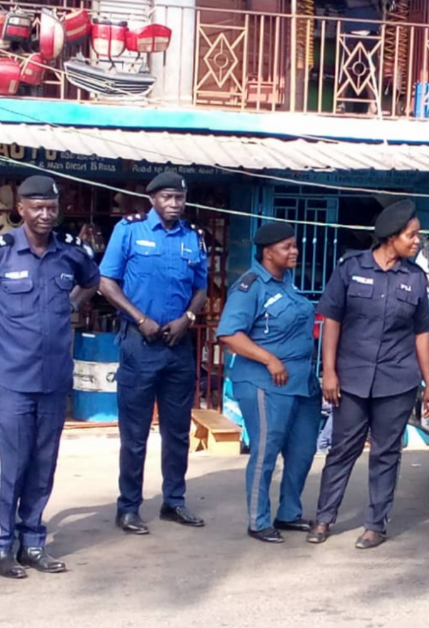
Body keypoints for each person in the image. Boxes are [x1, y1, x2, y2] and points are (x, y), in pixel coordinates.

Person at [306, 201, 429, 550]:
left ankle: (375, 525)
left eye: (418, 235)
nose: (417, 241)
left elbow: (421, 333)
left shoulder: (415, 278)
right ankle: (324, 518)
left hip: (397, 381)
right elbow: (331, 320)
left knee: (386, 453)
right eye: (412, 235)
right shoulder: (351, 269)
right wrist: (329, 371)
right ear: (391, 237)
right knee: (342, 450)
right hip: (351, 378)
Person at [0, 176, 99, 578]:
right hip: (13, 381)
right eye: (36, 207)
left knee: (44, 465)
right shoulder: (4, 255)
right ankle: (3, 545)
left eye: (50, 208)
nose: (44, 215)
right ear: (20, 208)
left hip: (55, 381)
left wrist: (69, 303)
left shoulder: (69, 254)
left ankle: (33, 543)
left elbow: (92, 282)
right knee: (10, 465)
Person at [99, 170, 208, 534]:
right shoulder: (129, 231)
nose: (174, 204)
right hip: (139, 344)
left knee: (177, 432)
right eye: (167, 198)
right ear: (152, 200)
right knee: (135, 434)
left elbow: (201, 288)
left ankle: (173, 502)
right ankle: (128, 507)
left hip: (178, 346)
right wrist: (140, 318)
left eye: (179, 198)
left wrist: (188, 318)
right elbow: (106, 282)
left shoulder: (194, 239)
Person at [216, 222, 321, 544]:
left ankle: (289, 512)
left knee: (303, 451)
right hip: (264, 382)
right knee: (266, 451)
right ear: (267, 252)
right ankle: (258, 520)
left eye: (294, 245)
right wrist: (269, 359)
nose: (295, 251)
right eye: (287, 247)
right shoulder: (250, 286)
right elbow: (229, 334)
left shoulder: (286, 283)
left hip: (301, 383)